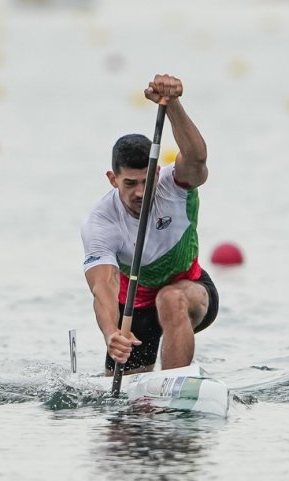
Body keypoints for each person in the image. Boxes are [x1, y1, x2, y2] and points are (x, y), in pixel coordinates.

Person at [80, 73, 218, 376]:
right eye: (129, 183)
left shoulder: (175, 185)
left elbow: (196, 158)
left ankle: (174, 386)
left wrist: (173, 106)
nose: (139, 192)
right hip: (134, 306)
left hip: (191, 289)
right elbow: (103, 287)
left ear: (157, 174)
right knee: (123, 414)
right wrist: (110, 334)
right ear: (112, 179)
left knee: (170, 298)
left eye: (146, 181)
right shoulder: (101, 222)